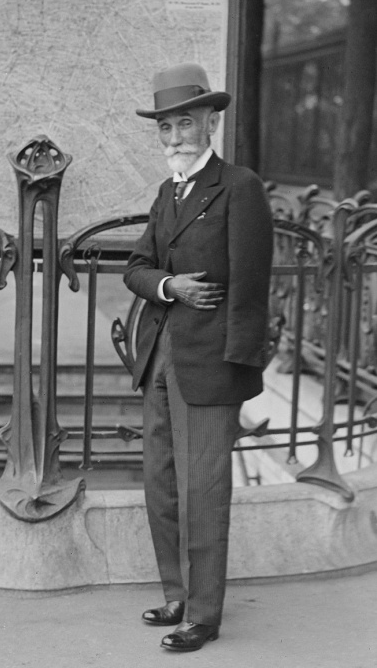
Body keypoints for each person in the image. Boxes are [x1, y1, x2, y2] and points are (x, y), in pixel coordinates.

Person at [124, 62, 273, 653]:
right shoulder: (168, 192)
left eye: (184, 124)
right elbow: (136, 269)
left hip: (212, 364)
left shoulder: (239, 187)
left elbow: (252, 284)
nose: (174, 138)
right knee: (161, 484)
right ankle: (176, 594)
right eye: (165, 128)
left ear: (210, 122)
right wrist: (169, 286)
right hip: (160, 357)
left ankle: (204, 614)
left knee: (203, 491)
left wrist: (241, 369)